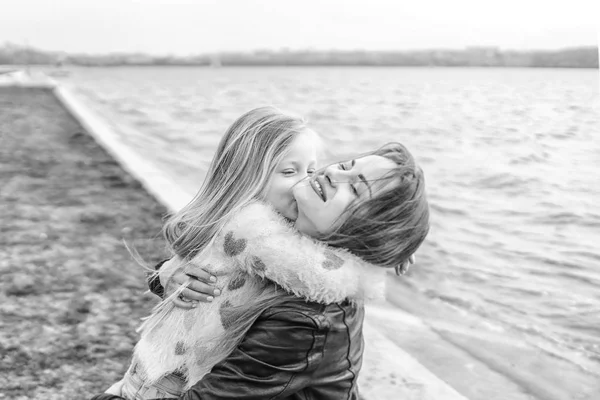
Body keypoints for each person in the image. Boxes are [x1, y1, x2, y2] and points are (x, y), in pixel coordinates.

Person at [94, 108, 429, 400]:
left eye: (354, 187)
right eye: (345, 165)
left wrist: (390, 249)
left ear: (368, 231)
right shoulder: (270, 236)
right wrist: (167, 274)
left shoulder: (310, 317)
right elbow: (208, 262)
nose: (328, 173)